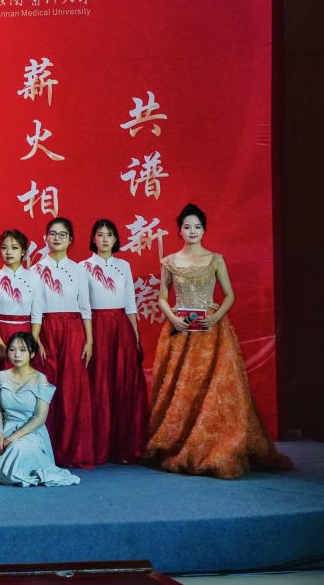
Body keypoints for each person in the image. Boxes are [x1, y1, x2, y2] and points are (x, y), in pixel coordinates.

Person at [144, 204, 291, 478]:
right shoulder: (170, 262)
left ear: (204, 230)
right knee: (181, 386)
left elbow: (230, 295)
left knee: (216, 387)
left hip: (211, 330)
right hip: (181, 330)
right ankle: (180, 442)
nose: (192, 231)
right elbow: (163, 298)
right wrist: (173, 318)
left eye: (197, 227)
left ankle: (215, 444)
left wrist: (215, 317)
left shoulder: (215, 260)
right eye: (187, 227)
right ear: (179, 230)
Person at [32, 217, 98, 468]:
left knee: (73, 390)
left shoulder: (79, 269)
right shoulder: (36, 269)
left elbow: (85, 307)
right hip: (46, 330)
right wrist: (36, 338)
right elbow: (35, 309)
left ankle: (73, 451)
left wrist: (89, 340)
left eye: (62, 234)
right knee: (46, 388)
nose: (57, 238)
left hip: (74, 330)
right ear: (45, 238)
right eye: (52, 233)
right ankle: (46, 450)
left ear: (71, 239)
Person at [83, 219, 148, 466]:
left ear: (116, 239)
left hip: (122, 328)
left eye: (109, 234)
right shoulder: (83, 267)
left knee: (123, 384)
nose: (105, 239)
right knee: (98, 385)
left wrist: (135, 336)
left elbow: (130, 304)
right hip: (96, 327)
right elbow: (83, 306)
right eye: (100, 234)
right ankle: (98, 446)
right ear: (93, 239)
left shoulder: (124, 266)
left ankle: (124, 447)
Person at [0, 332, 81, 486]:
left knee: (17, 449)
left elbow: (40, 418)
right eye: (12, 350)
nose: (17, 354)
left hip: (31, 432)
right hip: (5, 429)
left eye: (23, 350)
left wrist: (14, 437)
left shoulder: (40, 379)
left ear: (32, 353)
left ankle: (10, 472)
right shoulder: (1, 376)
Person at [0, 229, 43, 367]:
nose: (9, 252)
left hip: (26, 335)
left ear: (23, 252)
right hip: (0, 334)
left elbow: (37, 316)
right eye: (4, 248)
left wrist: (31, 343)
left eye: (14, 248)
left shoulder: (34, 278)